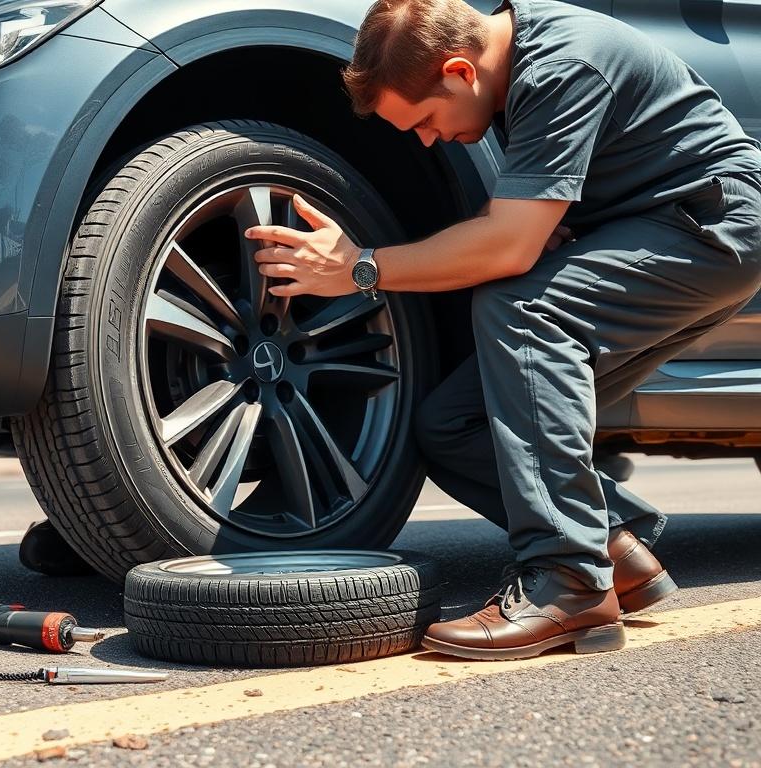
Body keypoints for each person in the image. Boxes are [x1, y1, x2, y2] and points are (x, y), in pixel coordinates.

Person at [243, 0, 761, 660]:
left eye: (425, 121)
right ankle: (614, 551)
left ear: (460, 72)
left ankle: (568, 584)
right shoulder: (513, 65)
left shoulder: (560, 65)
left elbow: (508, 247)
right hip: (658, 227)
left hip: (710, 229)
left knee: (522, 308)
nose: (427, 140)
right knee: (454, 424)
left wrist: (361, 269)